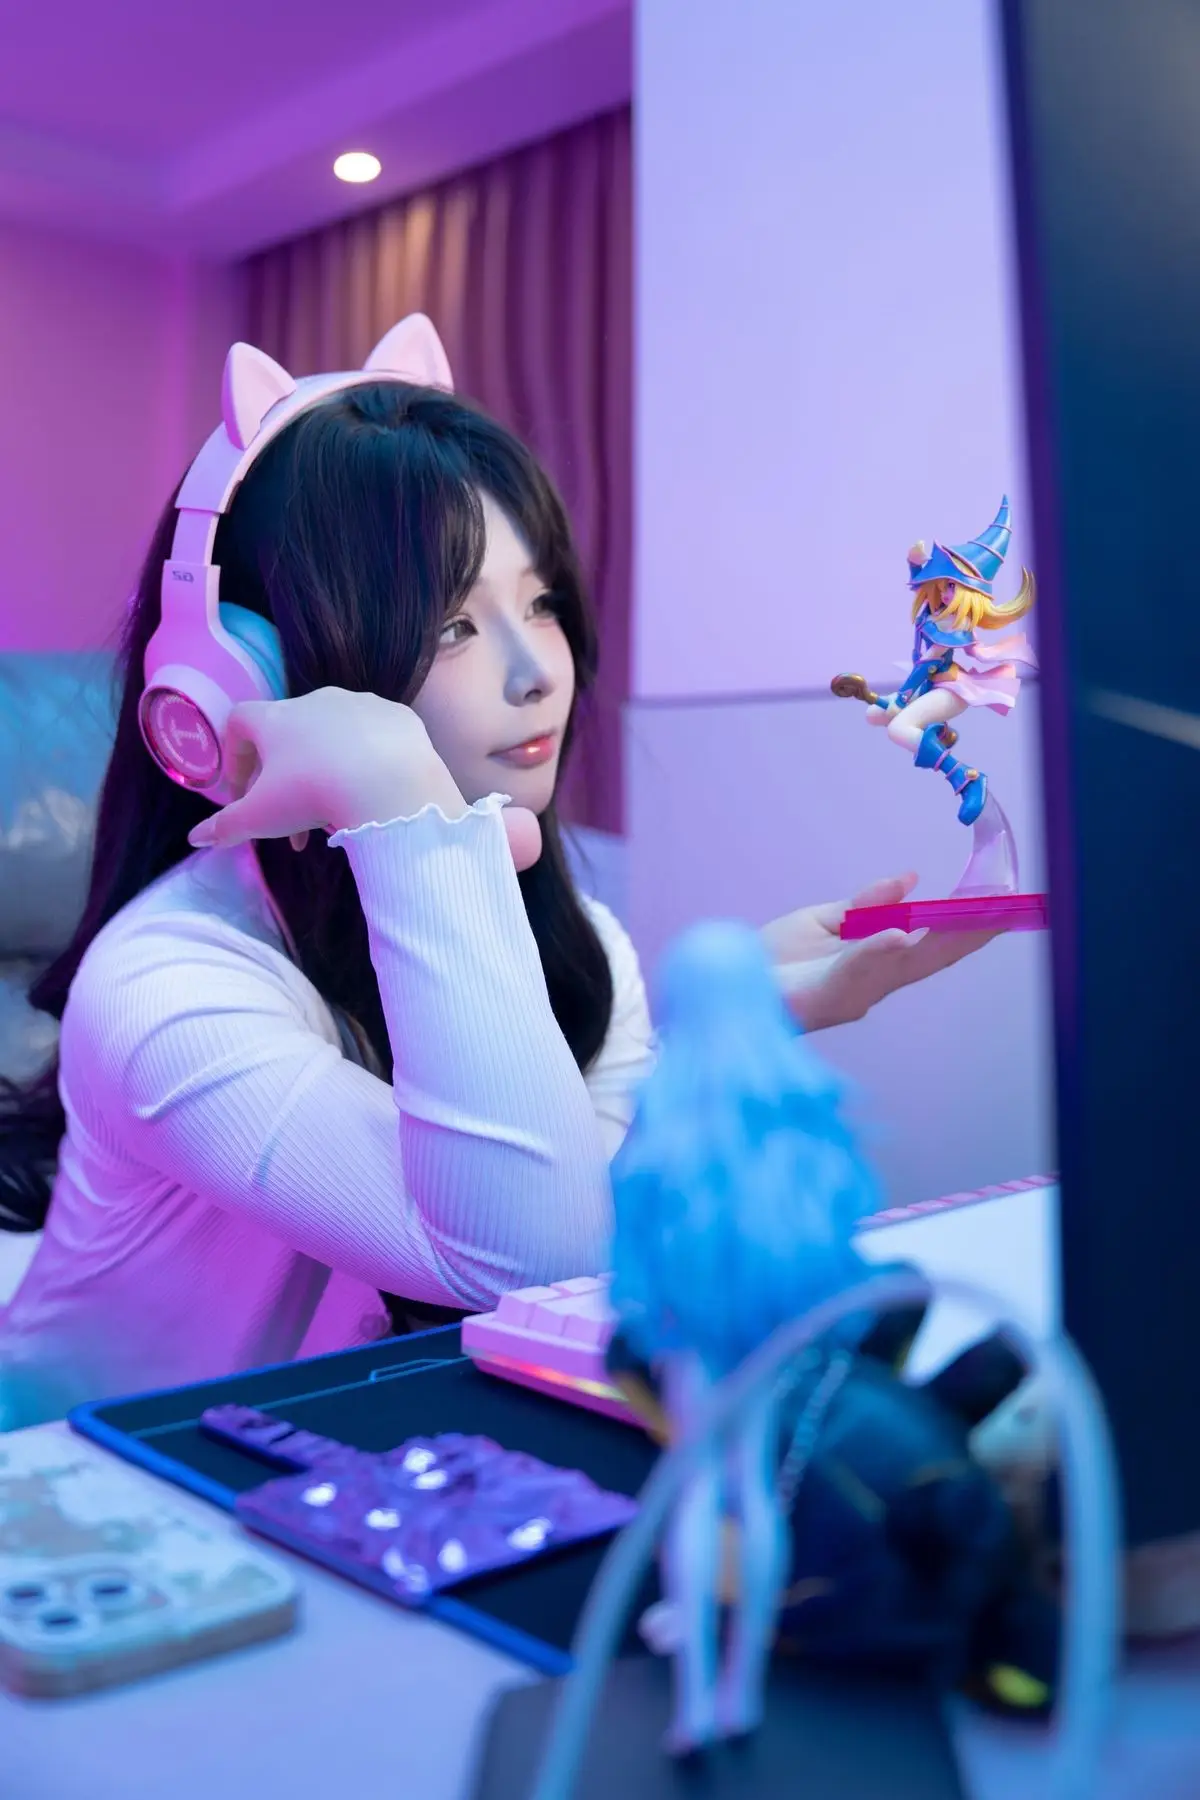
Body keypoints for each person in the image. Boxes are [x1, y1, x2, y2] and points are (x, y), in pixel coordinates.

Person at [0, 315, 991, 1428]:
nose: (537, 674)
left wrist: (720, 1030)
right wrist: (401, 801)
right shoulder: (163, 987)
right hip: (75, 1493)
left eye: (541, 603)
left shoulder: (568, 940)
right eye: (451, 625)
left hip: (326, 1467)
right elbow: (528, 1261)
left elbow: (594, 1249)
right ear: (251, 680)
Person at [608, 920, 877, 1754]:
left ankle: (696, 1700)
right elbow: (838, 1217)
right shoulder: (796, 1105)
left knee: (699, 1491)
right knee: (754, 1490)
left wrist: (643, 1316)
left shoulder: (666, 1108)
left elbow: (635, 1235)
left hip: (695, 1334)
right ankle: (741, 1692)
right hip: (771, 1330)